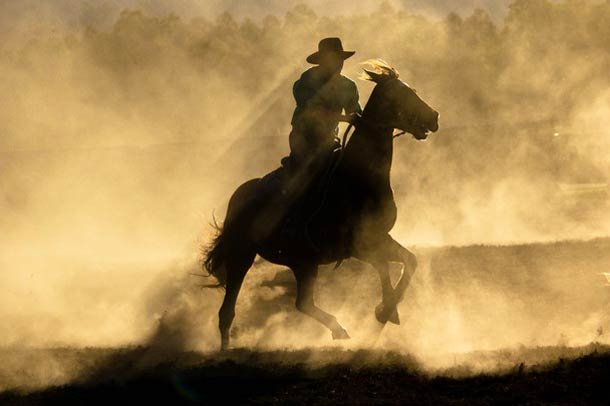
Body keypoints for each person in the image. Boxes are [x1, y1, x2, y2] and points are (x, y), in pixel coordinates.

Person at [283, 37, 362, 172]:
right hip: (304, 139)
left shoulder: (348, 86)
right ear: (322, 61)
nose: (339, 63)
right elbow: (314, 112)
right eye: (333, 59)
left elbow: (357, 114)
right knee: (303, 177)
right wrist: (346, 118)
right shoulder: (307, 80)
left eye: (340, 59)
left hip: (330, 140)